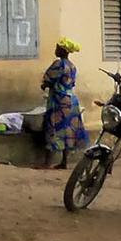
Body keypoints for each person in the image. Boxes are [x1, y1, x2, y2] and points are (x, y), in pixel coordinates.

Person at [40, 37, 87, 168]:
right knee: (68, 131)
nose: (55, 50)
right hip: (71, 100)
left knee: (52, 128)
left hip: (59, 100)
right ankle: (64, 162)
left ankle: (47, 162)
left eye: (57, 48)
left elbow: (49, 78)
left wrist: (44, 85)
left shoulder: (59, 64)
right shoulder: (72, 66)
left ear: (62, 50)